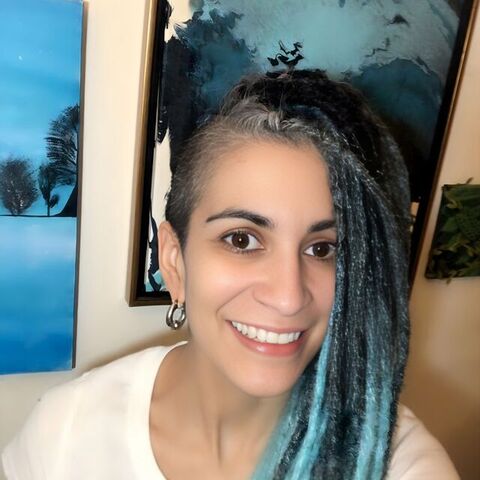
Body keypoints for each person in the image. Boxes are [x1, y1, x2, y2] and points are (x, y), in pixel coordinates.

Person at [2, 70, 459, 479]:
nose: (288, 297)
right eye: (241, 240)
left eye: (322, 249)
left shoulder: (399, 464)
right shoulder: (64, 435)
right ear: (174, 261)